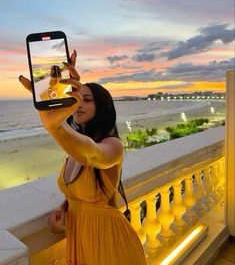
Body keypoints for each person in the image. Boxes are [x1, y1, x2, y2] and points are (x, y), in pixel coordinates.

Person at [19, 50, 147, 265]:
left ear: (103, 107)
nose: (79, 104)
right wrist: (65, 207)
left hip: (109, 242)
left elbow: (92, 155)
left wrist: (53, 125)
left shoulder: (113, 145)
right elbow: (85, 189)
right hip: (82, 239)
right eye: (77, 98)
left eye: (87, 100)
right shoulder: (75, 146)